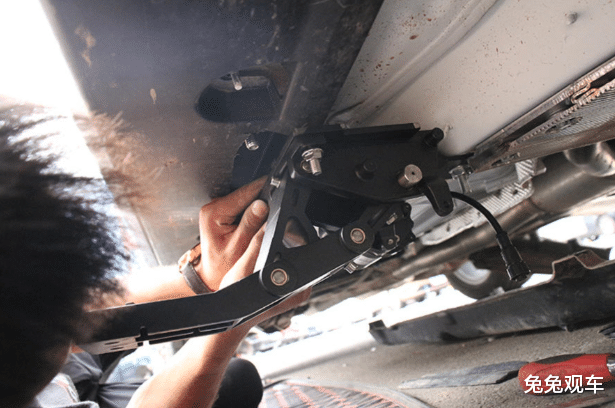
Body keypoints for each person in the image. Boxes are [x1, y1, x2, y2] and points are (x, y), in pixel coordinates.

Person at [0, 104, 308, 408]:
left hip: (56, 376)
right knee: (238, 381)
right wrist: (233, 314)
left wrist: (200, 278)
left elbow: (55, 303)